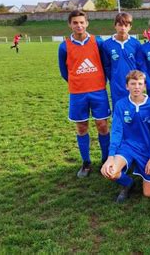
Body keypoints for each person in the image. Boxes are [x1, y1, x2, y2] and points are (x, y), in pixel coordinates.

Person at [58, 10, 111, 178]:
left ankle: (105, 160)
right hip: (78, 94)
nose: (79, 25)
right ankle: (86, 162)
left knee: (102, 125)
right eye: (75, 23)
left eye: (82, 22)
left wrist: (96, 80)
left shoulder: (98, 42)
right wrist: (78, 82)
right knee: (81, 127)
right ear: (70, 24)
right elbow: (64, 72)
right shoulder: (64, 46)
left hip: (98, 91)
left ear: (87, 23)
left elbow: (105, 64)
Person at [101, 70, 150, 203]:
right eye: (133, 84)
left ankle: (147, 171)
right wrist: (110, 157)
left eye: (140, 84)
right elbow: (116, 132)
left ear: (144, 86)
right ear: (127, 86)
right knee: (110, 172)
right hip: (127, 147)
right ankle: (128, 183)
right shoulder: (121, 105)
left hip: (146, 149)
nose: (136, 87)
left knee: (148, 194)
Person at [102, 12, 141, 108]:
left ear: (130, 27)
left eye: (126, 25)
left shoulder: (136, 43)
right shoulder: (107, 44)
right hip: (117, 83)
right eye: (120, 25)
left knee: (134, 109)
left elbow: (140, 65)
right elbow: (106, 65)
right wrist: (114, 78)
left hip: (134, 83)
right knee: (118, 109)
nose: (123, 28)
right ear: (115, 26)